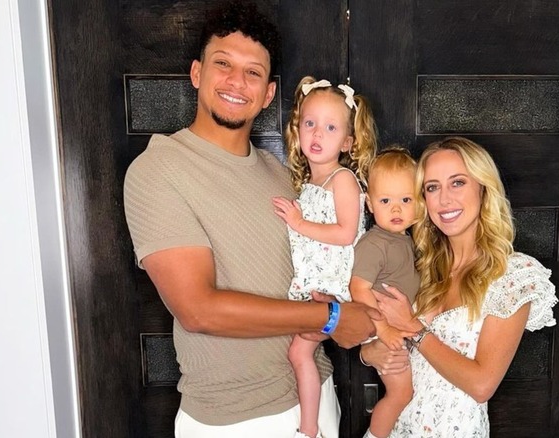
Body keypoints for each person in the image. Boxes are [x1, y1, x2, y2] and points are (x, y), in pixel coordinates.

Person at [122, 2, 378, 437]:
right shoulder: (159, 169)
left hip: (315, 396)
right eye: (223, 64)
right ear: (197, 73)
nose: (236, 82)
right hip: (234, 418)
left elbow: (335, 261)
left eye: (253, 72)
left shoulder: (283, 177)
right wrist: (331, 318)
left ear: (268, 94)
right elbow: (199, 310)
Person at [362, 137, 558, 438]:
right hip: (395, 428)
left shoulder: (513, 275)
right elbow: (379, 332)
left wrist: (415, 329)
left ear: (483, 188)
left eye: (457, 183)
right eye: (432, 187)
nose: (443, 199)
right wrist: (370, 353)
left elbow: (482, 385)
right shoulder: (421, 267)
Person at [271, 76, 377, 438]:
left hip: (333, 286)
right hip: (313, 284)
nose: (317, 134)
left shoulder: (342, 179)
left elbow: (345, 233)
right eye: (310, 124)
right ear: (298, 129)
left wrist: (299, 223)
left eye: (330, 127)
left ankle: (309, 430)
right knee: (296, 352)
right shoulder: (309, 185)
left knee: (298, 355)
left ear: (347, 142)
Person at [349, 146, 420, 438]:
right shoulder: (374, 244)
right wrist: (383, 329)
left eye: (406, 199)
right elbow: (358, 288)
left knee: (407, 394)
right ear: (369, 204)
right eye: (385, 200)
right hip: (383, 331)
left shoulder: (404, 240)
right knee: (401, 393)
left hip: (399, 329)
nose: (395, 209)